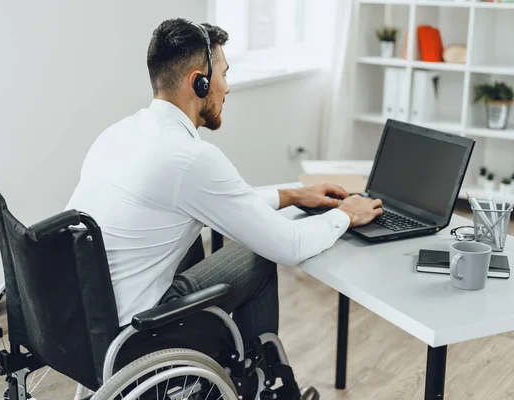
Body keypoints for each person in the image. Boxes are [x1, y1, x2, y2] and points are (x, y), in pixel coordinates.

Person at [66, 18, 383, 399]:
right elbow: (290, 246)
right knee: (259, 255)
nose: (227, 87)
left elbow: (222, 200)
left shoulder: (119, 134)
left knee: (197, 246)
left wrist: (293, 195)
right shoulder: (190, 158)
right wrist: (346, 214)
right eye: (224, 75)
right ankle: (268, 387)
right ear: (198, 81)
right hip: (135, 336)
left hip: (80, 326)